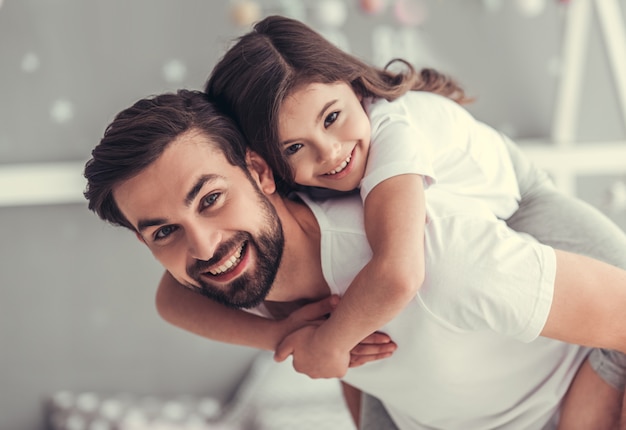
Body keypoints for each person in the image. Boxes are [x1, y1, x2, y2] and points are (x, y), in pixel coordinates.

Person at [84, 90, 626, 429]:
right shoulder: (237, 279)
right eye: (164, 232)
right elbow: (169, 300)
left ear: (260, 172)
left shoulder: (438, 255)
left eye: (210, 199)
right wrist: (284, 338)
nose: (202, 247)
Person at [202, 14, 626, 428]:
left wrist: (327, 344)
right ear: (266, 166)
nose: (329, 153)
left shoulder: (391, 129)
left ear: (353, 86)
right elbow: (172, 299)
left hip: (521, 199)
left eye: (332, 118)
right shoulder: (308, 192)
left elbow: (399, 270)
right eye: (294, 148)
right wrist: (283, 336)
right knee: (356, 323)